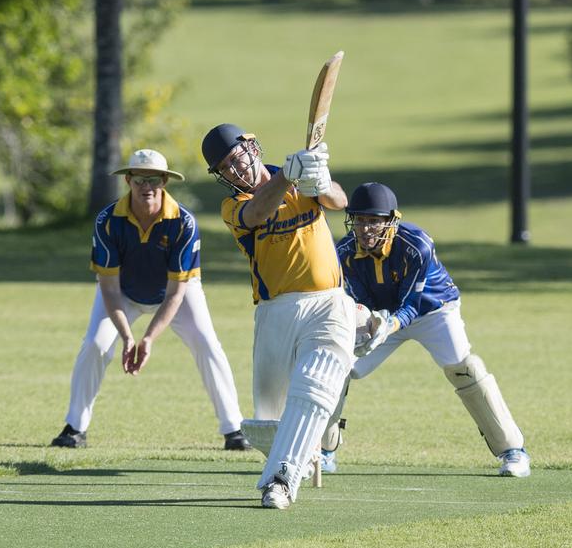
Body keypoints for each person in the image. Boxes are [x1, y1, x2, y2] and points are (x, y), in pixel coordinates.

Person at [324, 181, 530, 477]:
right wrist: (369, 322)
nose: (365, 229)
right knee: (338, 365)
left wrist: (389, 324)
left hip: (433, 310)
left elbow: (411, 303)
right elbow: (361, 300)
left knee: (463, 367)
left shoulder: (416, 245)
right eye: (359, 220)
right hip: (381, 317)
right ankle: (323, 451)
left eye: (373, 221)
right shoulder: (343, 252)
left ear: (391, 221)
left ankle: (513, 451)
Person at [51, 148, 250, 451]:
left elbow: (175, 293)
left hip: (176, 293)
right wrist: (127, 336)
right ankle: (75, 428)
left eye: (155, 180)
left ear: (165, 182)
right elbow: (108, 288)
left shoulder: (184, 222)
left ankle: (233, 429)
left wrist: (148, 339)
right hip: (123, 293)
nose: (147, 187)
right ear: (128, 180)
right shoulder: (108, 221)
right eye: (141, 179)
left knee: (207, 343)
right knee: (95, 345)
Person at [201, 123, 356, 510]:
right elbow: (257, 213)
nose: (235, 172)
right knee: (268, 419)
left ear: (252, 147)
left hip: (329, 302)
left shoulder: (300, 181)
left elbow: (340, 201)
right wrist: (289, 175)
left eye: (236, 159)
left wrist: (319, 180)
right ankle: (315, 439)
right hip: (275, 312)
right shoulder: (233, 206)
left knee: (313, 387)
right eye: (225, 169)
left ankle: (281, 480)